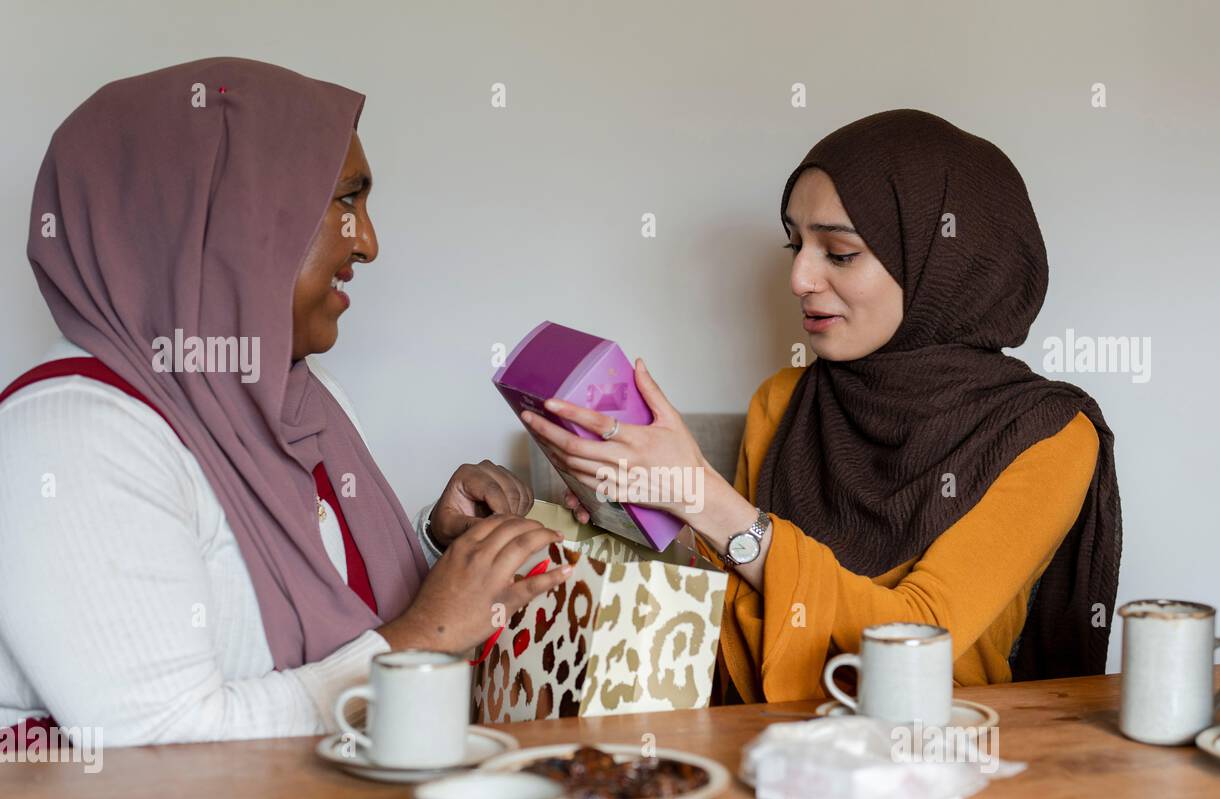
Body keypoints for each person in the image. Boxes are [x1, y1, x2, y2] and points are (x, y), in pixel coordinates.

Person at [0, 57, 570, 746]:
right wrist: (424, 638)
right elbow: (156, 748)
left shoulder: (304, 394)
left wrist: (436, 543)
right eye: (345, 202)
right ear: (225, 215)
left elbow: (328, 608)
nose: (369, 243)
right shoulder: (72, 436)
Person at [528, 109, 1122, 703]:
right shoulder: (783, 400)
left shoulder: (1046, 433)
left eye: (839, 253)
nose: (799, 278)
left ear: (941, 267)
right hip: (747, 730)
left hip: (924, 747)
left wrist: (704, 498)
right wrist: (644, 511)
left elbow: (917, 635)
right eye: (795, 245)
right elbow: (738, 600)